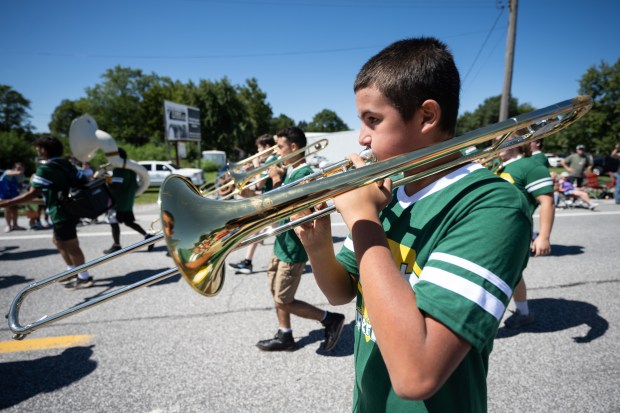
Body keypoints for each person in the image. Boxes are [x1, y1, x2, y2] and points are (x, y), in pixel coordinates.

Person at [294, 37, 531, 411]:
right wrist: (318, 245)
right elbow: (341, 291)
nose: (362, 138)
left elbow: (416, 375)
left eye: (373, 120)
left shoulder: (493, 204)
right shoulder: (390, 190)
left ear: (427, 116)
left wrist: (361, 217)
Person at [256, 126, 345, 352]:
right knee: (275, 293)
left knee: (283, 300)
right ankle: (285, 334)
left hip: (294, 249)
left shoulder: (304, 176)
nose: (277, 153)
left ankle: (330, 319)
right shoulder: (289, 172)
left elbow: (279, 207)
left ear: (294, 148)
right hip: (281, 244)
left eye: (281, 147)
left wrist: (276, 180)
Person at [0, 136, 93, 289]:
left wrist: (7, 203)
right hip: (70, 209)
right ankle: (72, 271)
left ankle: (84, 277)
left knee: (71, 245)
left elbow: (32, 193)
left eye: (38, 148)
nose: (37, 150)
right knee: (58, 241)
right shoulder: (66, 163)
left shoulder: (46, 168)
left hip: (61, 212)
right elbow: (82, 178)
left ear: (44, 149)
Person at [497, 145, 555, 329]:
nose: (496, 144)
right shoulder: (500, 166)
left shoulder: (531, 166)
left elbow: (547, 201)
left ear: (518, 142)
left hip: (514, 231)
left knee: (508, 271)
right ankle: (523, 312)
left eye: (503, 139)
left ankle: (522, 313)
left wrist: (544, 236)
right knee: (510, 271)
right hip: (493, 227)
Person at [228, 133, 278, 274]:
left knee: (282, 232)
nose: (257, 152)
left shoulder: (271, 160)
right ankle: (247, 262)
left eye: (259, 148)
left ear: (267, 147)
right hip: (268, 201)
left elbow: (260, 184)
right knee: (259, 231)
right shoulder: (269, 160)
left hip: (271, 202)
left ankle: (248, 263)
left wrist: (256, 167)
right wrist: (253, 171)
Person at [103, 147, 153, 254]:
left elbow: (115, 187)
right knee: (129, 222)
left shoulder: (119, 170)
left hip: (118, 203)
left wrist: (106, 179)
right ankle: (148, 236)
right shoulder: (132, 169)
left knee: (113, 222)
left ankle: (116, 245)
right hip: (127, 201)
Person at [0, 162, 26, 232]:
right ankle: (8, 226)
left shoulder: (21, 176)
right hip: (5, 192)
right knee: (7, 208)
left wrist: (21, 190)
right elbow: (14, 173)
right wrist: (19, 172)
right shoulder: (8, 171)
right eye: (18, 168)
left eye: (21, 169)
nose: (20, 170)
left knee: (14, 208)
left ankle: (15, 225)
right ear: (14, 168)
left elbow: (20, 184)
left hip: (14, 193)